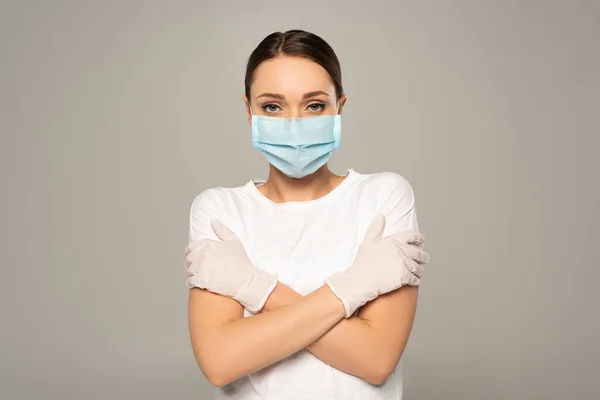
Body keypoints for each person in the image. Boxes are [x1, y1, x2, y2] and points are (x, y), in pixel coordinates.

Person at [184, 29, 430, 400]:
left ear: (339, 107)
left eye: (314, 105)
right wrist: (352, 289)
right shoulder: (220, 211)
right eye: (272, 106)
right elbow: (220, 362)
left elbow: (376, 358)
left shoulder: (382, 197)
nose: (294, 123)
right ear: (248, 110)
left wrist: (253, 287)